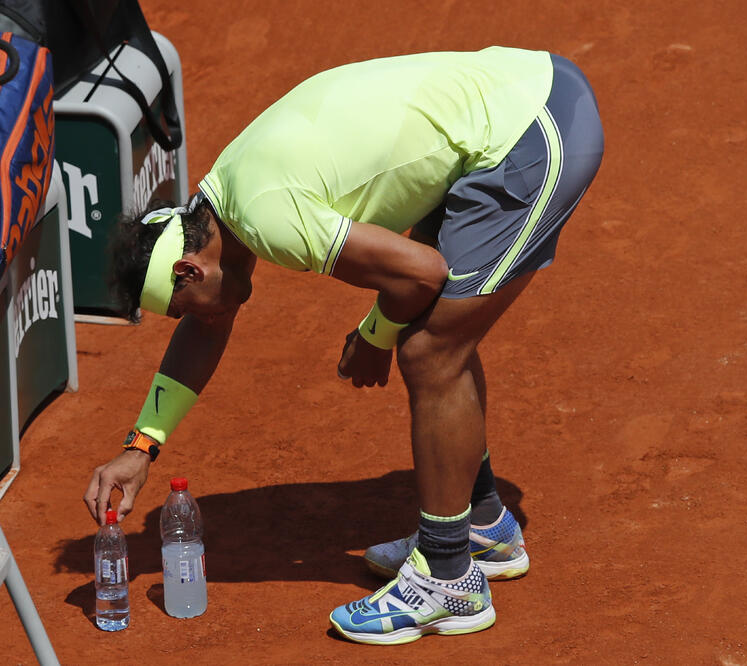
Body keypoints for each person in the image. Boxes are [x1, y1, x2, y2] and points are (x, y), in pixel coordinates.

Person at [83, 45, 603, 645]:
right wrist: (141, 446)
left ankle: (448, 577)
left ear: (188, 272)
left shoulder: (266, 215)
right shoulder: (221, 199)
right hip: (516, 105)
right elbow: (209, 324)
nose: (197, 321)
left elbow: (421, 275)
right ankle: (480, 521)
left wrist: (374, 337)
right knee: (437, 327)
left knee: (430, 350)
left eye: (182, 311)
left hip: (534, 131)